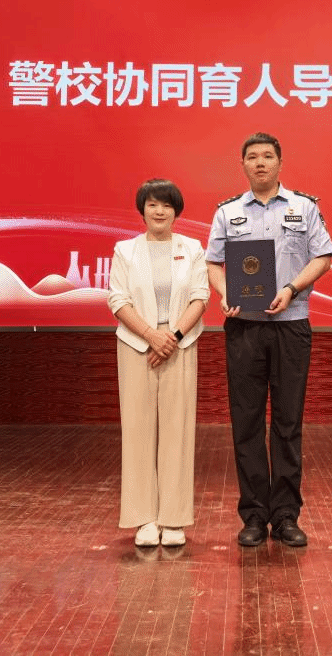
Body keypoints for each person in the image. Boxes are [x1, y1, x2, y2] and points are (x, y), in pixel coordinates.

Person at [206, 133, 332, 547]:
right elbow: (213, 263)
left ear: (280, 162)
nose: (260, 162)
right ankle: (254, 515)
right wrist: (224, 294)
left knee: (287, 422)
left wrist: (292, 289)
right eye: (252, 157)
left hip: (290, 325)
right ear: (243, 165)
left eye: (267, 156)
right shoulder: (227, 212)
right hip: (244, 326)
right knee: (246, 422)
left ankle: (285, 516)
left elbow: (323, 256)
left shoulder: (304, 207)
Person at [107, 179, 211, 547]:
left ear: (176, 210)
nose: (159, 211)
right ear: (143, 210)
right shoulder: (125, 250)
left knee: (177, 432)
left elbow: (200, 297)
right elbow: (118, 300)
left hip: (180, 345)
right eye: (152, 204)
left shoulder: (192, 248)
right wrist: (152, 336)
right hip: (136, 345)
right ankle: (144, 520)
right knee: (137, 431)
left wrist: (173, 337)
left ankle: (173, 519)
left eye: (166, 205)